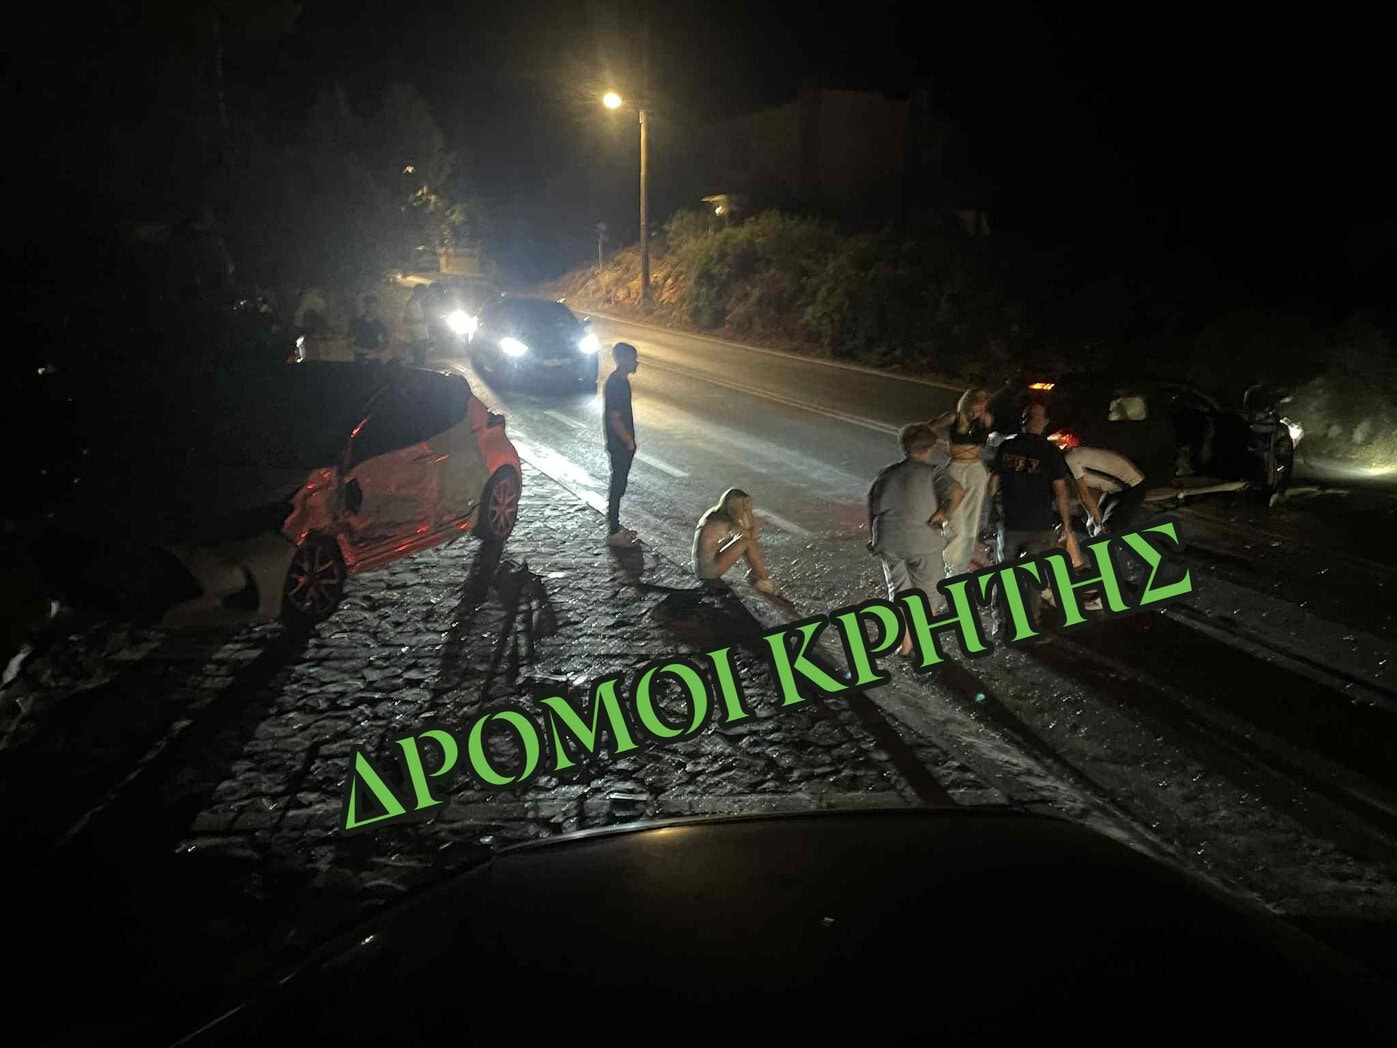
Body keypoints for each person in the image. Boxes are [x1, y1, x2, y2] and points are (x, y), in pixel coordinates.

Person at [868, 422, 965, 656]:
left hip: (888, 540)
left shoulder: (885, 474)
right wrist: (943, 513)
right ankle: (922, 645)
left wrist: (874, 538)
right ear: (931, 447)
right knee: (929, 594)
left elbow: (872, 507)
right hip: (922, 541)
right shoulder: (932, 472)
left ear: (904, 447)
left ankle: (905, 645)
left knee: (900, 593)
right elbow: (957, 492)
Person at [989, 400, 1084, 626]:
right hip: (1039, 524)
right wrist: (1066, 524)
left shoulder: (1007, 446)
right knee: (1033, 577)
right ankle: (1029, 622)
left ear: (1023, 422)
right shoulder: (1050, 452)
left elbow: (993, 482)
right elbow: (1060, 491)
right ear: (1045, 422)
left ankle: (1000, 622)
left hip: (1010, 521)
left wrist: (991, 511)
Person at [942, 387, 994, 578]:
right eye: (979, 403)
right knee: (954, 517)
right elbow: (929, 428)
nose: (982, 407)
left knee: (971, 520)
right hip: (956, 468)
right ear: (969, 403)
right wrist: (944, 446)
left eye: (984, 403)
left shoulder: (984, 420)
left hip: (975, 469)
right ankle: (950, 560)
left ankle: (960, 565)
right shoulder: (953, 418)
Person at [692, 488, 775, 593]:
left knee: (742, 540)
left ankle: (755, 575)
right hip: (708, 572)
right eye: (743, 505)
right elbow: (752, 536)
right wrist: (749, 511)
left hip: (701, 567)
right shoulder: (726, 522)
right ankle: (764, 582)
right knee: (748, 542)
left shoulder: (715, 514)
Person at [603, 342, 640, 547]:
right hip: (619, 444)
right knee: (618, 485)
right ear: (622, 359)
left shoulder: (621, 381)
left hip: (621, 443)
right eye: (633, 359)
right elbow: (615, 417)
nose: (636, 363)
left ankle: (615, 525)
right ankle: (613, 530)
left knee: (620, 484)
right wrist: (628, 441)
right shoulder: (617, 384)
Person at [1065, 446, 1148, 537]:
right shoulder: (1069, 469)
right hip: (1114, 491)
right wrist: (1091, 516)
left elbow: (1085, 495)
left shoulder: (1071, 459)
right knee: (1096, 525)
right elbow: (1083, 495)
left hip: (1132, 486)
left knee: (1109, 529)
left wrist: (1095, 518)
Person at [348, 294, 389, 362]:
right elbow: (350, 345)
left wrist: (376, 352)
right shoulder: (356, 323)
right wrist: (368, 352)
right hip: (359, 360)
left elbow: (384, 344)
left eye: (373, 306)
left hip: (375, 360)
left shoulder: (380, 325)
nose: (370, 308)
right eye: (368, 305)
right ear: (364, 306)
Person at [404, 285, 429, 366]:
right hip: (417, 335)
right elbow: (407, 320)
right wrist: (422, 320)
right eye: (423, 294)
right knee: (418, 358)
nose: (424, 296)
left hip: (422, 334)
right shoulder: (411, 304)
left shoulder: (418, 303)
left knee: (421, 358)